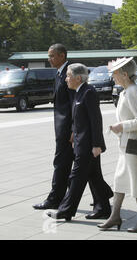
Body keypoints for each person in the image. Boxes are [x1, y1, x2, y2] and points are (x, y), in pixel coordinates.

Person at [47, 63, 113, 221]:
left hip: (88, 145)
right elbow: (78, 118)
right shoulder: (78, 91)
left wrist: (97, 145)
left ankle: (65, 210)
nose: (66, 79)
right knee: (94, 177)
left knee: (75, 178)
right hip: (80, 143)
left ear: (78, 78)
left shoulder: (88, 92)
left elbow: (96, 120)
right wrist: (72, 133)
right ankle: (104, 205)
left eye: (68, 76)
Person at [98, 57, 137, 232]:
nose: (113, 77)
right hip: (126, 144)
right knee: (119, 180)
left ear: (125, 74)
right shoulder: (125, 92)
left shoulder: (133, 91)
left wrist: (121, 126)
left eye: (115, 73)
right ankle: (115, 216)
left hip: (134, 144)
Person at [33, 44, 76, 210]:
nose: (49, 59)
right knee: (78, 166)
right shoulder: (59, 73)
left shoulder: (69, 74)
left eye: (52, 56)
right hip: (61, 127)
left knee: (61, 163)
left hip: (67, 129)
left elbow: (74, 103)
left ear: (62, 56)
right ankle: (101, 196)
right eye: (48, 55)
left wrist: (73, 128)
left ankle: (54, 199)